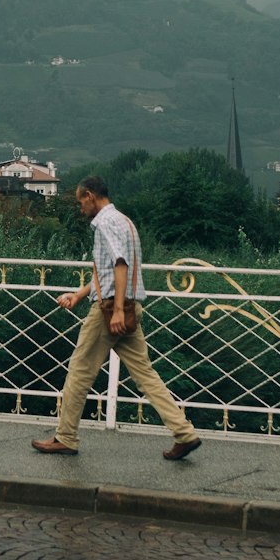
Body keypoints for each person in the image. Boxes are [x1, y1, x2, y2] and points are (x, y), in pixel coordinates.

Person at [31, 174, 201, 460]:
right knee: (146, 374)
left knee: (78, 372)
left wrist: (118, 309)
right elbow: (107, 271)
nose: (80, 207)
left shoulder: (104, 223)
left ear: (90, 195)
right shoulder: (125, 221)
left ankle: (66, 437)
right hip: (128, 305)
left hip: (110, 310)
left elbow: (119, 265)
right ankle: (184, 433)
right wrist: (81, 295)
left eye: (80, 201)